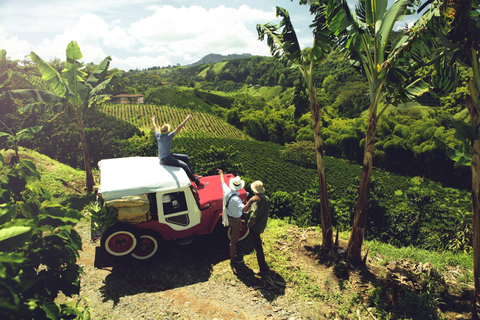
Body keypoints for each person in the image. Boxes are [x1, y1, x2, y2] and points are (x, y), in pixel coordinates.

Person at [152, 114, 207, 189]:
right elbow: (179, 127)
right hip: (166, 159)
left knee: (186, 157)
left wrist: (153, 120)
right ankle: (197, 183)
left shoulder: (158, 136)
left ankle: (193, 175)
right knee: (184, 165)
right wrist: (186, 119)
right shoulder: (168, 137)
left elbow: (155, 127)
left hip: (166, 156)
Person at [217, 168, 245, 264]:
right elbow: (244, 209)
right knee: (234, 240)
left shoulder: (227, 190)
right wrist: (251, 202)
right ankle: (233, 257)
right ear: (240, 187)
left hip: (227, 216)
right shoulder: (237, 200)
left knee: (229, 230)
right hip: (236, 220)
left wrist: (221, 173)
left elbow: (222, 181)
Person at [243, 180, 270, 275]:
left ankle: (262, 268)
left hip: (255, 226)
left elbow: (253, 215)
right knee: (258, 245)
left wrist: (249, 224)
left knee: (258, 247)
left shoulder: (255, 201)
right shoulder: (266, 198)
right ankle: (263, 266)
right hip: (262, 224)